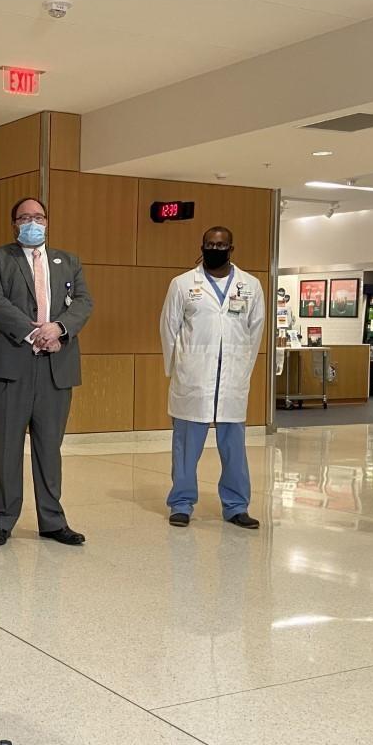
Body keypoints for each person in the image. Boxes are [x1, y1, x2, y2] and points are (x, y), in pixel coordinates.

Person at [0, 197, 92, 547]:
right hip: (10, 364)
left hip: (56, 364)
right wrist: (34, 334)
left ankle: (52, 520)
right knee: (6, 447)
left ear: (47, 221)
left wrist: (58, 328)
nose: (32, 223)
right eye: (24, 217)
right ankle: (2, 519)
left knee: (50, 447)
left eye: (38, 217)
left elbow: (83, 302)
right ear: (14, 223)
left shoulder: (68, 261)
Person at [159, 226, 266, 529]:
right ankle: (181, 503)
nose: (214, 249)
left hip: (231, 379)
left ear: (231, 248)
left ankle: (236, 506)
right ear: (202, 246)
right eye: (209, 244)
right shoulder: (182, 284)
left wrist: (244, 369)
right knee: (185, 448)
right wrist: (175, 369)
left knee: (234, 448)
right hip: (193, 379)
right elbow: (168, 329)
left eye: (221, 245)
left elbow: (255, 332)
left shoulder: (250, 285)